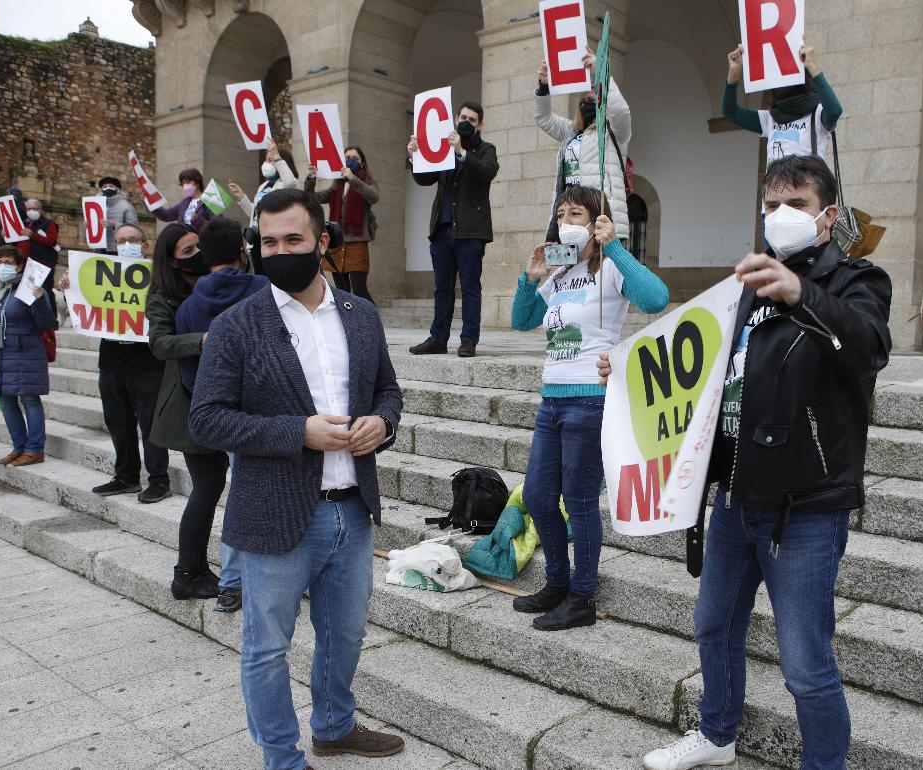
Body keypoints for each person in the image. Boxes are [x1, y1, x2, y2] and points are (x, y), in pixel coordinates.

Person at [604, 156, 892, 770]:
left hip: (805, 510)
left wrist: (802, 293)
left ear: (828, 215)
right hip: (735, 499)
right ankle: (716, 733)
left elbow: (867, 348)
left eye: (798, 205)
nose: (781, 217)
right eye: (770, 206)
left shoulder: (856, 282)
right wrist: (632, 369)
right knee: (713, 626)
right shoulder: (741, 290)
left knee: (806, 665)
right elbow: (697, 365)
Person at [189, 188, 405, 768]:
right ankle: (281, 758)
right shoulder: (236, 325)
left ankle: (334, 726)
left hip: (352, 509)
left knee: (346, 637)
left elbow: (389, 390)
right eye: (267, 241)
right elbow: (206, 419)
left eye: (293, 240)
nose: (279, 251)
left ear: (323, 243)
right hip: (275, 513)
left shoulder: (362, 316)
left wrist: (381, 423)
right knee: (266, 648)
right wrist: (297, 433)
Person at [510, 185, 668, 631]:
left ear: (595, 222)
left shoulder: (609, 267)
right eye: (561, 213)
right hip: (551, 400)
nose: (565, 222)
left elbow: (655, 298)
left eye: (575, 213)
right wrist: (531, 276)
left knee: (578, 501)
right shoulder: (561, 271)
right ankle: (557, 584)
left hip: (589, 401)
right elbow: (522, 321)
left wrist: (615, 244)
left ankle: (582, 596)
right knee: (540, 498)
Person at [176, 217, 269, 614]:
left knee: (234, 493)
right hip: (259, 411)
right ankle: (235, 579)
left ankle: (232, 581)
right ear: (242, 252)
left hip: (213, 411)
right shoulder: (264, 291)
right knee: (248, 493)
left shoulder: (188, 305)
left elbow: (186, 370)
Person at [147, 223, 225, 600]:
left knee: (212, 486)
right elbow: (160, 343)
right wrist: (203, 340)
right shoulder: (164, 296)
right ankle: (187, 573)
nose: (197, 255)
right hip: (189, 402)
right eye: (187, 251)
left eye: (199, 246)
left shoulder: (217, 283)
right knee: (207, 487)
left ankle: (197, 567)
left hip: (224, 398)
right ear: (172, 261)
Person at [70, 224, 172, 504]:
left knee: (151, 425)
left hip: (147, 363)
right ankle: (126, 477)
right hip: (112, 362)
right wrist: (69, 286)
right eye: (122, 240)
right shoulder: (98, 273)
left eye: (134, 240)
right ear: (115, 246)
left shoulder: (159, 277)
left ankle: (159, 481)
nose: (127, 244)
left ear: (145, 245)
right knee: (118, 423)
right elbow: (82, 298)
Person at [406, 101, 499, 358]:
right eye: (463, 117)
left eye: (472, 120)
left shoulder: (485, 150)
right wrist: (415, 156)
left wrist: (461, 152)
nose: (466, 122)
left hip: (471, 230)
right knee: (442, 288)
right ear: (456, 118)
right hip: (442, 228)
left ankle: (468, 340)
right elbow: (425, 179)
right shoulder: (442, 150)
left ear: (479, 124)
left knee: (470, 287)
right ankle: (438, 338)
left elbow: (487, 172)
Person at [0, 245, 57, 467]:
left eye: (8, 263)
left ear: (18, 266)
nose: (2, 267)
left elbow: (46, 323)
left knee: (29, 400)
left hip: (24, 354)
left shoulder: (29, 288)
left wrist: (39, 298)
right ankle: (19, 447)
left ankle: (35, 449)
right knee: (6, 402)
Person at [534, 50, 633, 242]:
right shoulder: (570, 131)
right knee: (574, 270)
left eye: (594, 98)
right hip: (571, 213)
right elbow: (543, 118)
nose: (588, 102)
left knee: (600, 269)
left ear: (603, 103)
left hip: (602, 215)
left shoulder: (614, 132)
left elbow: (620, 110)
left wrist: (601, 71)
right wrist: (543, 87)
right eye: (584, 100)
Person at [723, 41, 843, 166]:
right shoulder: (770, 117)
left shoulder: (817, 113)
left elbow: (835, 111)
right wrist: (734, 73)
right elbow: (730, 112)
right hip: (775, 185)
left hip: (806, 184)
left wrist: (812, 66)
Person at [303, 145, 380, 302]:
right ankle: (347, 324)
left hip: (357, 244)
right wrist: (311, 179)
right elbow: (311, 198)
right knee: (341, 291)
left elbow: (374, 197)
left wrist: (353, 178)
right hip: (337, 243)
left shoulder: (365, 182)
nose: (350, 161)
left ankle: (371, 321)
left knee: (360, 290)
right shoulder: (337, 184)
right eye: (347, 158)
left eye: (355, 158)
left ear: (362, 163)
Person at [229, 139, 302, 225]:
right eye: (266, 160)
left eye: (270, 160)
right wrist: (242, 197)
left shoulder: (287, 183)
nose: (266, 163)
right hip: (259, 234)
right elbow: (255, 215)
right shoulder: (263, 186)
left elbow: (289, 182)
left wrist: (277, 156)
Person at [16, 199, 60, 321]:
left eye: (34, 209)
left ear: (41, 210)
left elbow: (51, 241)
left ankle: (52, 319)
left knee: (45, 291)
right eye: (28, 209)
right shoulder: (23, 224)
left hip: (44, 263)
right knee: (25, 290)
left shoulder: (49, 224)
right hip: (25, 262)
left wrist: (33, 235)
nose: (31, 211)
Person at [97, 177, 140, 255]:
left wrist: (115, 225)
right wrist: (87, 226)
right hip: (99, 248)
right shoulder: (96, 206)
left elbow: (134, 228)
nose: (107, 188)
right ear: (101, 190)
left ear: (117, 189)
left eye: (111, 186)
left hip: (119, 249)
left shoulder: (126, 206)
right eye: (105, 186)